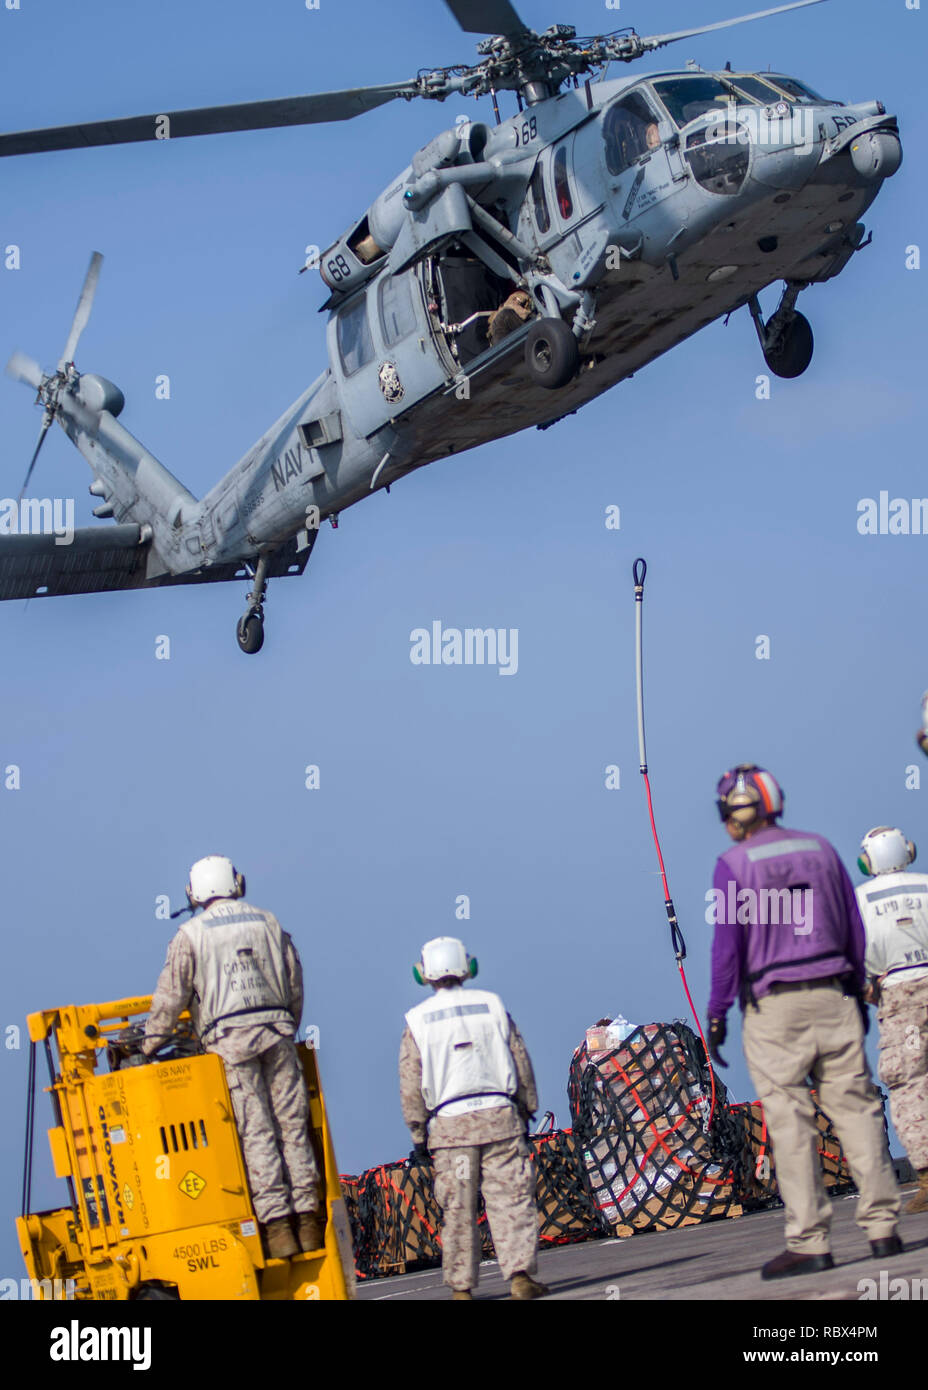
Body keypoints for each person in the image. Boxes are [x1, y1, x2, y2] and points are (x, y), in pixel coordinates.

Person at [706, 764, 901, 1279]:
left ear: (734, 814)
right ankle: (883, 1229)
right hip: (835, 993)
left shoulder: (732, 864)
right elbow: (853, 927)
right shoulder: (820, 848)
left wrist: (717, 1012)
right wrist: (858, 990)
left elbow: (727, 947)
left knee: (790, 1122)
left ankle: (811, 1240)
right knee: (857, 1111)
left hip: (774, 1008)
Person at [143, 855, 324, 1260]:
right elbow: (294, 980)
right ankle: (308, 1221)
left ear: (193, 894)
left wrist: (148, 1045)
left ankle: (278, 1230)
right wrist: (288, 1025)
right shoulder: (269, 922)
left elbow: (170, 998)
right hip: (277, 1033)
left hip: (228, 1042)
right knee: (292, 1127)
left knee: (256, 1131)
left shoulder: (189, 935)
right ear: (238, 883)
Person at [399, 936, 547, 1300]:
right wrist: (527, 1108)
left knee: (459, 1208)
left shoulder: (417, 1021)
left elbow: (410, 1083)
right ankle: (519, 1278)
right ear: (469, 967)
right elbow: (520, 1060)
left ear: (424, 974)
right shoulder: (493, 1006)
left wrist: (418, 1135)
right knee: (511, 1200)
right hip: (500, 1119)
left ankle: (462, 1289)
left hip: (452, 1130)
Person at [855, 826, 928, 1213]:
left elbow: (854, 959)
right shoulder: (926, 885)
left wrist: (868, 989)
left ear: (868, 861)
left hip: (898, 996)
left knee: (908, 1083)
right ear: (908, 852)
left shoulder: (861, 900)